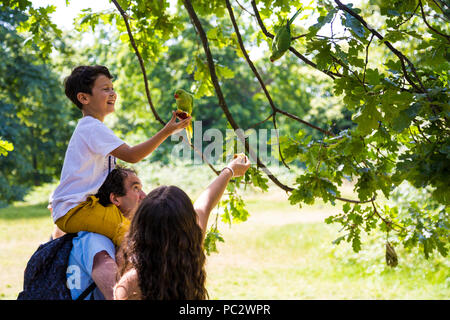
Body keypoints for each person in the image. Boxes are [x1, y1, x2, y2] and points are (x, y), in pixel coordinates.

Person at [51, 65, 191, 246]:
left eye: (112, 88)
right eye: (105, 89)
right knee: (132, 236)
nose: (112, 93)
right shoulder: (91, 127)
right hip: (76, 210)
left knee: (137, 224)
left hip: (85, 207)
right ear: (84, 97)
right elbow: (132, 155)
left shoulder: (93, 128)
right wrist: (166, 132)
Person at [114, 155, 251, 300]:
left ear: (139, 229)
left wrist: (230, 170)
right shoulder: (188, 254)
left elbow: (205, 204)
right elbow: (205, 204)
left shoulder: (130, 284)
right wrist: (230, 170)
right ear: (187, 227)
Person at [66, 165, 146, 300]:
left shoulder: (112, 234)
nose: (144, 196)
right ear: (115, 199)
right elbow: (116, 295)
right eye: (136, 188)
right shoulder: (96, 240)